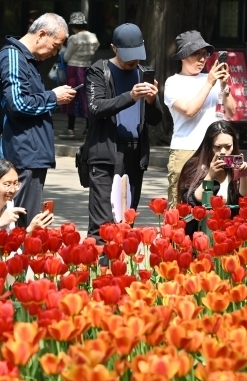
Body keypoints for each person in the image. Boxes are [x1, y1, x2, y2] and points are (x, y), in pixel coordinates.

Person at [0, 13, 76, 227]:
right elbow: (18, 103)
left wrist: (53, 99)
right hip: (22, 152)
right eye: (55, 46)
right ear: (41, 34)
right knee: (20, 222)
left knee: (27, 220)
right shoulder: (12, 56)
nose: (55, 53)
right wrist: (53, 97)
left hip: (32, 152)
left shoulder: (27, 59)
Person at [85, 23, 163, 243]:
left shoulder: (143, 73)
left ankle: (120, 272)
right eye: (128, 57)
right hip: (106, 154)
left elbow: (156, 120)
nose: (133, 62)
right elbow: (95, 108)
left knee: (126, 220)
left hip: (135, 153)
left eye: (137, 56)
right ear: (113, 48)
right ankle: (100, 270)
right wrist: (130, 96)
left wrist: (151, 100)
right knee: (103, 224)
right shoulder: (99, 71)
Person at [164, 31, 234, 207]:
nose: (202, 59)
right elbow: (189, 110)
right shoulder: (173, 82)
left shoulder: (211, 79)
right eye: (196, 54)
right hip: (184, 149)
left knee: (211, 203)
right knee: (180, 206)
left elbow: (231, 112)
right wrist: (210, 83)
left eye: (204, 54)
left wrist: (224, 86)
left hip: (213, 150)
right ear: (182, 56)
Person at [178, 120, 247, 235]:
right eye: (218, 147)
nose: (223, 152)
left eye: (228, 146)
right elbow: (191, 200)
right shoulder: (195, 166)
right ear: (209, 146)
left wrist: (243, 175)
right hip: (201, 233)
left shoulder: (235, 165)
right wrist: (210, 175)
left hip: (231, 232)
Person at [0, 158, 53, 238]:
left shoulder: (9, 203)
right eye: (7, 184)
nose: (12, 190)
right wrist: (1, 222)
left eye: (15, 184)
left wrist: (31, 230)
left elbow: (11, 242)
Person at [60, 12, 100, 140]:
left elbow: (66, 57)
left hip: (73, 69)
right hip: (87, 69)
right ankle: (88, 129)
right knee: (87, 97)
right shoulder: (93, 38)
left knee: (70, 96)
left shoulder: (74, 39)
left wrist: (61, 50)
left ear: (73, 26)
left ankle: (70, 129)